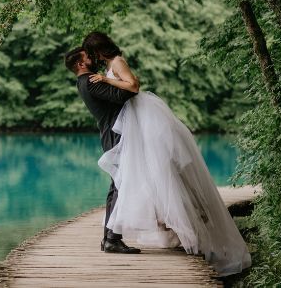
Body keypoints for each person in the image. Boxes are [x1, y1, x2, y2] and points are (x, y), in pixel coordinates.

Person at [81, 31, 251, 276]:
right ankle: (162, 231)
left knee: (157, 175)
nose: (93, 58)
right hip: (134, 121)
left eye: (93, 53)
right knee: (147, 177)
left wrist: (107, 81)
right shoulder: (110, 64)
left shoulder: (117, 61)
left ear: (99, 50)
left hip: (142, 117)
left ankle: (184, 232)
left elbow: (134, 86)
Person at [64, 46, 141, 254]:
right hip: (115, 134)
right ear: (81, 64)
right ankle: (112, 239)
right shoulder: (90, 81)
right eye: (88, 57)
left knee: (117, 184)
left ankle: (109, 237)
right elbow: (122, 95)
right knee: (121, 183)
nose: (93, 58)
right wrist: (133, 81)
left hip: (109, 133)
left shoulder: (83, 82)